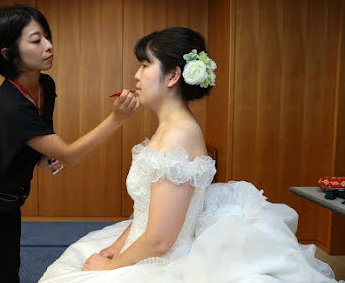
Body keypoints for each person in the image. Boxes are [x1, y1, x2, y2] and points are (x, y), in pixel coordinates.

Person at [38, 27, 343, 283]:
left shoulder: (179, 135)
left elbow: (160, 240)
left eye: (145, 65)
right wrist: (117, 246)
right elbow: (148, 210)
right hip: (144, 244)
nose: (136, 75)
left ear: (172, 75)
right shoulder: (168, 129)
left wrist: (111, 268)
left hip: (162, 258)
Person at [0, 4, 139, 283]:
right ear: (9, 55)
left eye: (47, 36)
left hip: (7, 196)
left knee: (8, 272)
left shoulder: (46, 85)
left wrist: (40, 157)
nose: (49, 46)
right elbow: (70, 154)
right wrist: (117, 118)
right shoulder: (11, 104)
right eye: (36, 40)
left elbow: (35, 137)